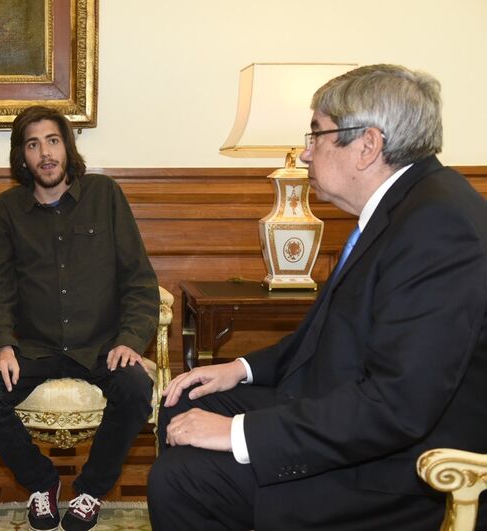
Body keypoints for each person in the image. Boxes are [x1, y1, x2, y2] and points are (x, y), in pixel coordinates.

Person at [147, 64, 487, 530]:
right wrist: (239, 369)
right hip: (352, 410)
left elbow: (398, 407)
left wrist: (238, 433)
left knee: (183, 478)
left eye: (316, 135)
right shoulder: (406, 205)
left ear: (367, 146)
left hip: (403, 472)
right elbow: (328, 334)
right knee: (182, 404)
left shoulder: (439, 227)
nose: (305, 153)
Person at [0, 105, 160, 531]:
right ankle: (41, 482)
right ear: (22, 156)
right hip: (36, 347)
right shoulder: (5, 210)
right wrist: (1, 346)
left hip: (102, 344)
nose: (45, 153)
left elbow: (139, 282)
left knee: (135, 387)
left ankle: (90, 490)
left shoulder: (105, 195)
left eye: (52, 141)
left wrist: (130, 340)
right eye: (33, 145)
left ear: (67, 148)